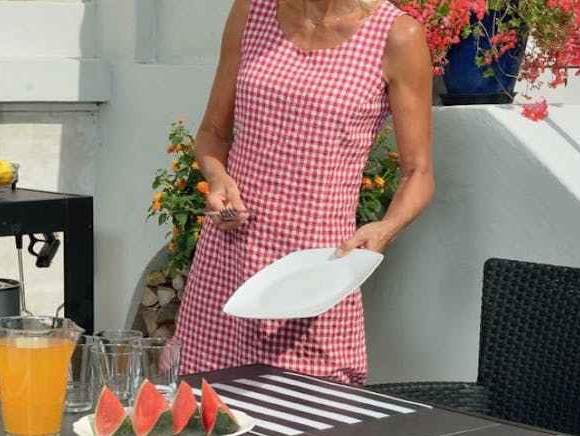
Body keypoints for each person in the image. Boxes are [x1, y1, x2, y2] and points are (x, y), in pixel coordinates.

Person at [174, 0, 434, 384]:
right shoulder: (252, 12)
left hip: (317, 272)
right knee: (206, 409)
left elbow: (419, 172)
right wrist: (218, 179)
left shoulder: (396, 35)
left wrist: (386, 228)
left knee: (315, 415)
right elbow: (213, 131)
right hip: (227, 265)